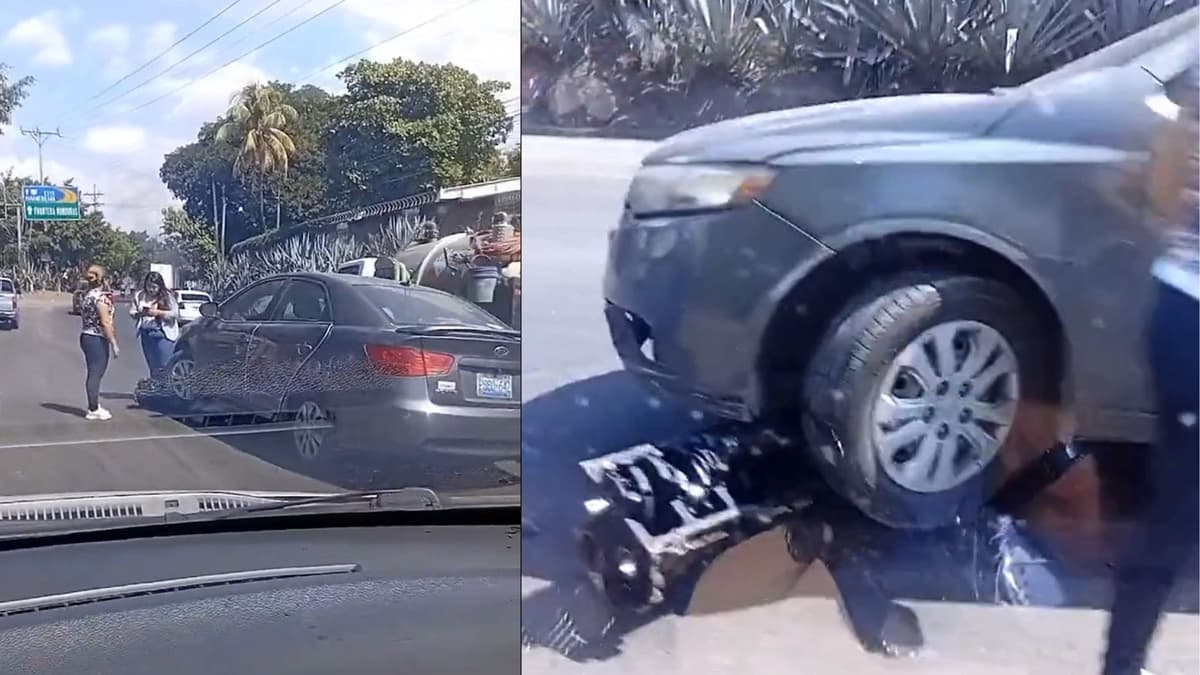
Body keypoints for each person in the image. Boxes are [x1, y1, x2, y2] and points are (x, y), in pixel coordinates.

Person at [1101, 66, 1199, 675]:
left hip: (1179, 311)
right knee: (1177, 511)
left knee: (1176, 508)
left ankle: (1122, 662)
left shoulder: (1187, 110)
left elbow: (1133, 191)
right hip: (1190, 321)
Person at [78, 264, 119, 420]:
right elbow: (105, 322)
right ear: (103, 280)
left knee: (93, 372)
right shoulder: (100, 299)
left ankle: (93, 405)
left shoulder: (87, 296)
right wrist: (114, 343)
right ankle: (93, 409)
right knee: (96, 373)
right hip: (97, 338)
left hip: (86, 335)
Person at [129, 271, 179, 380]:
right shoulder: (140, 295)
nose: (151, 290)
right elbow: (132, 312)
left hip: (162, 334)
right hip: (146, 334)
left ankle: (166, 387)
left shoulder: (167, 296)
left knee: (164, 365)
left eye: (154, 287)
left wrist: (157, 313)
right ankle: (156, 387)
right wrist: (141, 313)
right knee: (152, 365)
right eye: (149, 286)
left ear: (160, 286)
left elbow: (175, 314)